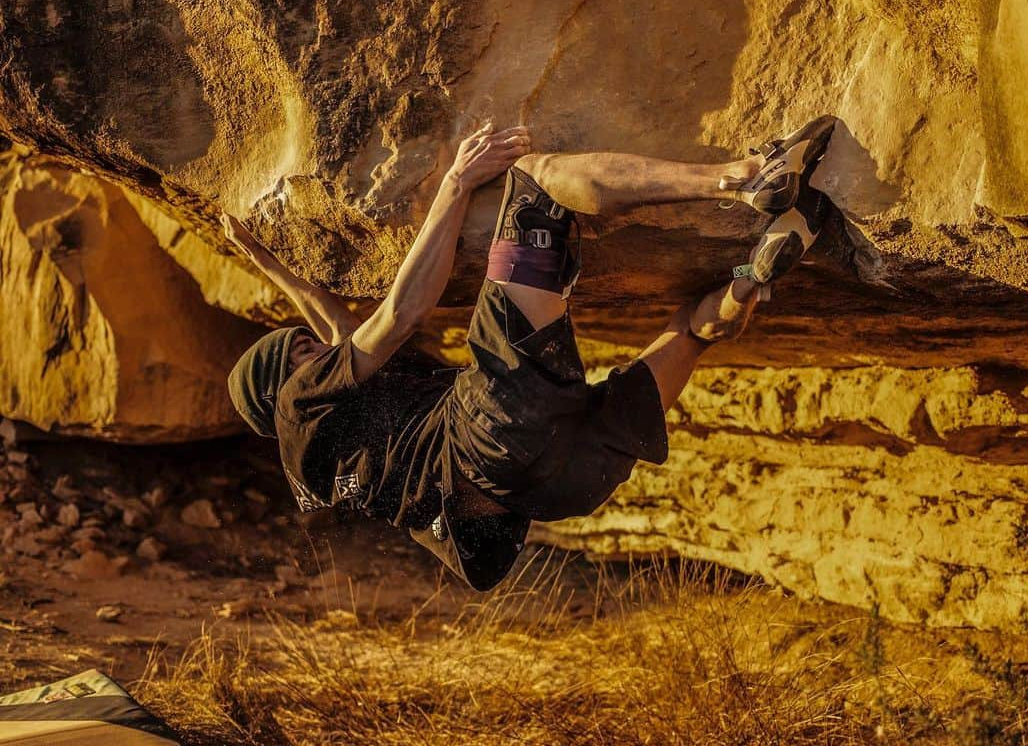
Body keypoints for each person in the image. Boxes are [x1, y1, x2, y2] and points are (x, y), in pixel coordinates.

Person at [224, 117, 835, 589]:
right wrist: (455, 185)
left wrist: (274, 268)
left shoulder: (328, 446)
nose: (319, 348)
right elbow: (398, 315)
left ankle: (752, 279)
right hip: (491, 429)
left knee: (691, 333)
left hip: (562, 486)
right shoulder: (301, 404)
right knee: (539, 184)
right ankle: (747, 178)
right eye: (299, 352)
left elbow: (336, 331)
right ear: (281, 391)